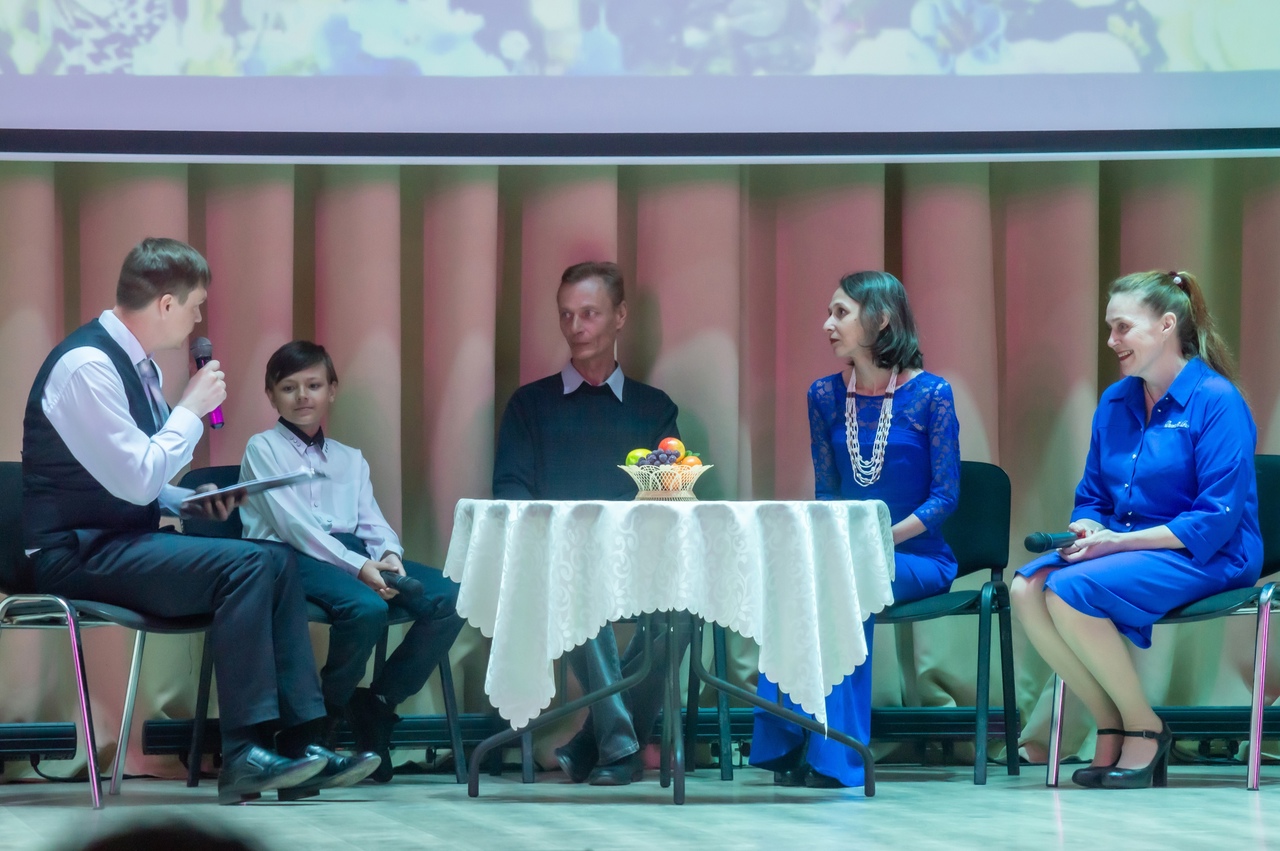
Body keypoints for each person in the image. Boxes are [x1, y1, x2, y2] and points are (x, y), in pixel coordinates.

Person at [20, 237, 378, 805]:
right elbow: (135, 477)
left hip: (118, 540)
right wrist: (189, 408)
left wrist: (182, 501)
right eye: (194, 307)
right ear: (166, 304)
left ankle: (301, 746)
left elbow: (130, 477)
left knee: (275, 559)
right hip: (74, 553)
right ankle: (244, 755)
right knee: (249, 566)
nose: (197, 321)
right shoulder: (87, 366)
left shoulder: (135, 367)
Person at [1011, 269, 1261, 790]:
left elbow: (1215, 517)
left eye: (1122, 327)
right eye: (1110, 328)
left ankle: (1144, 726)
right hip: (1129, 548)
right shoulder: (1115, 401)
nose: (1111, 340)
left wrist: (1117, 543)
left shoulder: (1217, 400)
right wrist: (1087, 527)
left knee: (1068, 591)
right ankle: (1111, 721)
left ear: (1167, 325)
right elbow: (1093, 497)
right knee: (1026, 588)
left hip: (1210, 552)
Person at [750, 270, 961, 788]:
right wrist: (843, 545)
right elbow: (827, 495)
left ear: (881, 319)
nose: (827, 324)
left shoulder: (932, 394)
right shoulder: (824, 395)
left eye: (840, 312)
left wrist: (877, 541)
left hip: (915, 557)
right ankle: (789, 738)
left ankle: (837, 756)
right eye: (829, 313)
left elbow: (945, 498)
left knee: (844, 583)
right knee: (798, 580)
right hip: (845, 555)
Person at [492, 260, 685, 786]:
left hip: (636, 563)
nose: (575, 326)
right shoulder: (529, 405)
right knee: (576, 583)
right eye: (566, 315)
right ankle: (620, 745)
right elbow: (510, 494)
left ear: (620, 316)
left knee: (686, 609)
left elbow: (668, 496)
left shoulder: (654, 408)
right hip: (557, 565)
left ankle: (593, 741)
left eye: (589, 313)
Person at [239, 341, 465, 783]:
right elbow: (295, 528)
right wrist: (359, 568)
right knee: (366, 608)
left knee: (450, 598)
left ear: (332, 390)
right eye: (288, 387)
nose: (302, 396)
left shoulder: (349, 458)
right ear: (271, 396)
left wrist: (389, 556)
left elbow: (371, 522)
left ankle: (378, 704)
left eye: (313, 385)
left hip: (348, 553)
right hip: (286, 556)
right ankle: (319, 721)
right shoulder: (262, 449)